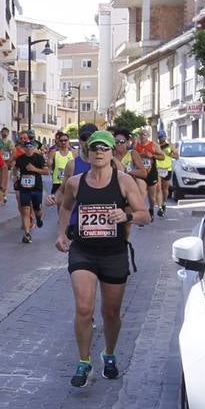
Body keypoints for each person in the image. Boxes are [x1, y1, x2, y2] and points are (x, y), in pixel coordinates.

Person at [54, 130, 151, 387]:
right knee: (84, 307)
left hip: (114, 252)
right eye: (95, 147)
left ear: (111, 153)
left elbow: (145, 215)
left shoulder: (124, 181)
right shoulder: (76, 181)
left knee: (110, 312)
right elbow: (65, 205)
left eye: (104, 148)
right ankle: (83, 361)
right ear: (88, 152)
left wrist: (126, 216)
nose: (99, 152)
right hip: (83, 250)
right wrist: (62, 233)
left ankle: (108, 353)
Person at [11, 138, 49, 244]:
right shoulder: (20, 159)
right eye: (26, 147)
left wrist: (34, 169)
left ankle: (38, 217)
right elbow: (15, 169)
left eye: (30, 147)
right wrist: (16, 177)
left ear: (34, 148)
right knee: (26, 210)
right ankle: (27, 234)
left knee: (37, 209)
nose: (28, 149)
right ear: (24, 148)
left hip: (36, 188)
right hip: (24, 188)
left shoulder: (39, 158)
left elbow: (46, 172)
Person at [132, 128, 164, 218]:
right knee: (141, 192)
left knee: (151, 196)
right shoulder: (135, 145)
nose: (142, 136)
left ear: (148, 136)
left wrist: (152, 155)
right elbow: (131, 157)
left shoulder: (153, 145)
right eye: (141, 134)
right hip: (140, 172)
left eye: (145, 134)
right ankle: (142, 213)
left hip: (151, 171)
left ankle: (151, 209)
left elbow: (162, 156)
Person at [154, 133, 177, 215]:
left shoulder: (170, 145)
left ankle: (164, 204)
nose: (161, 138)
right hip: (158, 169)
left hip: (167, 169)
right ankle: (160, 208)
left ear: (165, 137)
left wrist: (169, 154)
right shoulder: (156, 146)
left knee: (165, 189)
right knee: (158, 188)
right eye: (160, 137)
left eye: (162, 137)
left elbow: (177, 156)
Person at [0, 126, 14, 204]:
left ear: (8, 133)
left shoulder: (10, 142)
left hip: (7, 162)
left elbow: (13, 151)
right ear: (1, 133)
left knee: (6, 179)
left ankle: (5, 195)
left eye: (6, 132)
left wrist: (11, 161)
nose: (4, 133)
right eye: (3, 132)